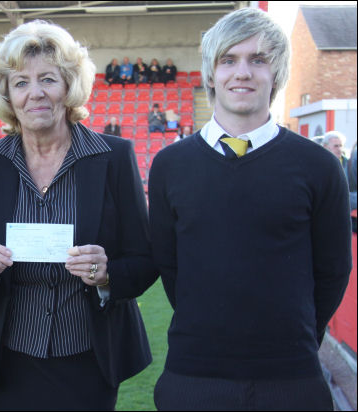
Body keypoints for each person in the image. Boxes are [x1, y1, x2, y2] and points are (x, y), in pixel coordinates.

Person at [149, 8, 351, 411]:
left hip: (291, 379)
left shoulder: (319, 166)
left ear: (276, 74)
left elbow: (333, 270)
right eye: (229, 60)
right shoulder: (170, 165)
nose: (242, 72)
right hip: (193, 376)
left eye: (257, 60)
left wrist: (292, 339)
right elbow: (171, 267)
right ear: (211, 74)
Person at [0, 20, 153, 411]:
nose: (36, 94)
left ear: (69, 86)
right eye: (21, 83)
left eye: (48, 78)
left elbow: (145, 261)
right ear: (7, 95)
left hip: (90, 360)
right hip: (8, 361)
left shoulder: (113, 157)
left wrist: (107, 273)